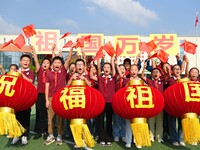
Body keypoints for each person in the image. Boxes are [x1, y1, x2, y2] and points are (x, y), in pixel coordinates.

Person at [45, 45, 73, 146]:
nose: (57, 64)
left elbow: (69, 59)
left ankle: (60, 135)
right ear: (52, 64)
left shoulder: (63, 72)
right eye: (55, 62)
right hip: (51, 98)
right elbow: (47, 87)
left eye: (59, 62)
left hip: (61, 98)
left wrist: (71, 48)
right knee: (50, 117)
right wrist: (47, 100)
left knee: (60, 118)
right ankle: (51, 134)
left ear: (61, 64)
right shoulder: (49, 74)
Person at [90, 56, 116, 146]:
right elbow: (91, 76)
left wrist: (112, 61)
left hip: (110, 102)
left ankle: (109, 138)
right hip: (101, 102)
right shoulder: (100, 78)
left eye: (108, 67)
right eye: (104, 67)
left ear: (111, 69)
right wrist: (94, 64)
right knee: (100, 121)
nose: (106, 69)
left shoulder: (113, 78)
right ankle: (101, 138)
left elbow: (117, 73)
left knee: (109, 120)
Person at [141, 62, 170, 143]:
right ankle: (151, 136)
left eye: (157, 72)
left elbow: (168, 77)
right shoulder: (150, 81)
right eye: (154, 72)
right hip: (152, 103)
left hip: (160, 104)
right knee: (151, 121)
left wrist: (167, 71)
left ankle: (159, 136)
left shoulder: (162, 81)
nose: (155, 73)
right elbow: (142, 76)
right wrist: (144, 68)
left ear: (160, 74)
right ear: (151, 74)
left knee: (160, 121)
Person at [11, 54, 35, 145]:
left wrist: (21, 75)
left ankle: (24, 136)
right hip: (16, 100)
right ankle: (16, 135)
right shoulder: (15, 71)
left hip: (26, 99)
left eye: (27, 60)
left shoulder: (31, 72)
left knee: (25, 118)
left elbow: (31, 81)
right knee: (16, 118)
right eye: (24, 60)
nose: (25, 62)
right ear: (20, 62)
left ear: (29, 63)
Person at [166, 57, 189, 147]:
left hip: (182, 105)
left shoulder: (184, 79)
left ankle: (181, 139)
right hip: (172, 104)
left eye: (178, 69)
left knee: (181, 122)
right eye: (175, 69)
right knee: (172, 122)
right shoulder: (171, 80)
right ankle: (174, 139)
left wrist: (186, 63)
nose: (177, 71)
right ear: (172, 71)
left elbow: (187, 74)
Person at [31, 44, 51, 140]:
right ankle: (39, 131)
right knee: (39, 112)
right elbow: (35, 60)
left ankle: (47, 131)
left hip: (48, 95)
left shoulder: (51, 73)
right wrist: (34, 50)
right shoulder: (39, 71)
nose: (45, 64)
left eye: (47, 63)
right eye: (44, 62)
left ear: (50, 65)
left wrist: (53, 51)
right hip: (39, 94)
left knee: (47, 113)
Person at [125, 64, 142, 148]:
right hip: (129, 104)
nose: (134, 71)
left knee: (138, 123)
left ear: (138, 71)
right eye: (132, 69)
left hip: (138, 105)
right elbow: (123, 90)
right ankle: (128, 141)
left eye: (135, 69)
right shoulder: (127, 80)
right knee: (128, 124)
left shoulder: (141, 80)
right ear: (129, 71)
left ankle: (138, 141)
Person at [113, 61, 126, 143]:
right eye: (120, 69)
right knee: (117, 120)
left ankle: (123, 135)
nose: (121, 70)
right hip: (117, 101)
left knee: (124, 120)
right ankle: (116, 135)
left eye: (123, 69)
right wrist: (117, 65)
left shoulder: (127, 78)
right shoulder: (116, 78)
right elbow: (120, 75)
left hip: (124, 102)